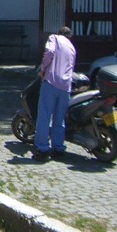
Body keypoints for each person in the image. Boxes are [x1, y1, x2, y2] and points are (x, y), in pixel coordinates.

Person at [32, 27, 77, 161]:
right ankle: (58, 148)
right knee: (59, 118)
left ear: (60, 33)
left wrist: (43, 68)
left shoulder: (54, 38)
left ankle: (42, 148)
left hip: (51, 81)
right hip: (66, 85)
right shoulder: (72, 47)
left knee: (45, 116)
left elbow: (50, 52)